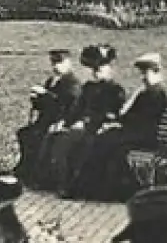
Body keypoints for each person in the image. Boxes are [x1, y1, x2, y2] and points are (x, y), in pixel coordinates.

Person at [73, 52, 167, 202]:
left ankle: (95, 190)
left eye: (146, 73)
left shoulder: (157, 94)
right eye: (142, 73)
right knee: (108, 144)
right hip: (133, 133)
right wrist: (119, 117)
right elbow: (126, 114)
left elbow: (143, 119)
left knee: (107, 141)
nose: (143, 77)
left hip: (145, 136)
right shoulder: (145, 92)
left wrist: (120, 121)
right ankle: (94, 189)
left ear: (157, 72)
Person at [42, 44, 126, 196]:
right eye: (95, 68)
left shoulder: (115, 90)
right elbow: (76, 109)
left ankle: (70, 185)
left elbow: (111, 114)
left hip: (98, 128)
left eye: (101, 68)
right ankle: (57, 180)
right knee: (58, 137)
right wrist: (65, 122)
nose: (96, 72)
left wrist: (86, 122)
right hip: (81, 126)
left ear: (110, 69)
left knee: (73, 142)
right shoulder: (88, 87)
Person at [16, 49, 82, 190]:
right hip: (46, 120)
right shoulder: (52, 81)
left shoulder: (72, 83)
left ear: (68, 63)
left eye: (60, 62)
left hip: (59, 121)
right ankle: (27, 168)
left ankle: (39, 174)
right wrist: (36, 99)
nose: (56, 66)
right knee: (25, 134)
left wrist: (46, 95)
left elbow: (67, 106)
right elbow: (46, 105)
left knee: (41, 137)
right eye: (53, 62)